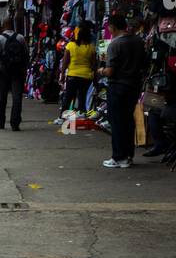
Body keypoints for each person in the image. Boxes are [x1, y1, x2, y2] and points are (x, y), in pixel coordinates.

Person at [98, 11, 146, 168]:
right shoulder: (138, 41)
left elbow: (110, 71)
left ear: (112, 27)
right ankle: (128, 155)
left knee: (117, 122)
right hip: (134, 86)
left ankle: (119, 157)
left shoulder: (115, 44)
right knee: (128, 121)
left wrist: (101, 71)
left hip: (118, 86)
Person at [0, 14, 28, 131]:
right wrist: (25, 71)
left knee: (1, 98)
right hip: (17, 72)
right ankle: (15, 123)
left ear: (3, 26)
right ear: (13, 25)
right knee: (17, 98)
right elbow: (25, 55)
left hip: (4, 71)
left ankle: (1, 121)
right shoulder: (21, 38)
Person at [61, 21, 96, 115]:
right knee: (82, 98)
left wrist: (62, 74)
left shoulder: (70, 45)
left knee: (68, 97)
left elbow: (65, 62)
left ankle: (63, 116)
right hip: (86, 76)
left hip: (72, 75)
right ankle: (81, 116)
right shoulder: (91, 47)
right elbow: (93, 65)